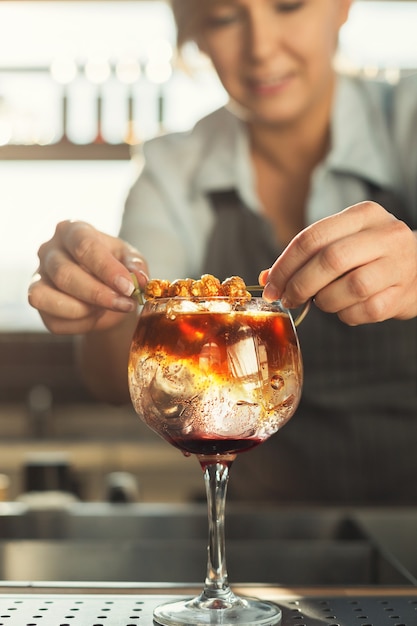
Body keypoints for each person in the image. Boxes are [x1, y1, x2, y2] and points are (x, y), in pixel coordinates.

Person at [28, 0, 417, 504]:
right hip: (250, 527)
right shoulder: (174, 169)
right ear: (198, 36)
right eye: (226, 18)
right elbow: (111, 375)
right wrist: (103, 297)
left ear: (342, 7)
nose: (261, 48)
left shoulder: (406, 122)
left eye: (289, 6)